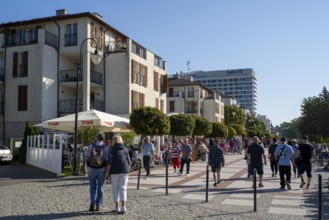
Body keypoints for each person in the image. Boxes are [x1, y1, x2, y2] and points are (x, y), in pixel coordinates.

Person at [106, 135, 131, 214]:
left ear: (113, 141)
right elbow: (129, 162)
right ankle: (123, 207)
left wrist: (107, 173)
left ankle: (117, 207)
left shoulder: (112, 150)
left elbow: (109, 163)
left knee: (115, 189)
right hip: (125, 171)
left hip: (114, 171)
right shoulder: (125, 149)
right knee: (123, 188)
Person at [85, 133, 109, 212]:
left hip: (91, 169)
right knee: (100, 187)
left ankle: (92, 202)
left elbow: (86, 157)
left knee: (92, 187)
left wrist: (87, 168)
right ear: (104, 139)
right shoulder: (105, 147)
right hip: (101, 169)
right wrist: (106, 171)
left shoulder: (91, 146)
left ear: (97, 138)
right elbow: (106, 159)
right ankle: (98, 205)